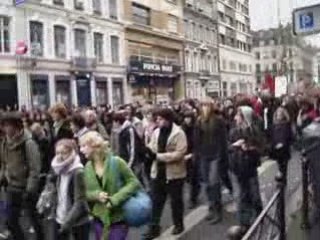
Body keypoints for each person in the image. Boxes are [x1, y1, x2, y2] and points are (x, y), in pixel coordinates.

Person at [80, 131, 140, 240]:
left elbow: (134, 183)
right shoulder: (87, 167)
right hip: (99, 219)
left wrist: (116, 198)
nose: (81, 150)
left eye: (84, 146)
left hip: (118, 219)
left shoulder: (117, 162)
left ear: (94, 146)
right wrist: (96, 195)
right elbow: (84, 193)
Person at [143, 108, 188, 239]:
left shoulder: (178, 133)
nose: (158, 121)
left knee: (176, 201)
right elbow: (152, 146)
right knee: (156, 202)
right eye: (157, 119)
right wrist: (148, 151)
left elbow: (180, 153)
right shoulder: (156, 132)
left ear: (168, 119)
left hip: (174, 173)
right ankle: (154, 228)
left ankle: (178, 224)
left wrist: (158, 156)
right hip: (158, 172)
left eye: (160, 119)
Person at [0, 112, 42, 240]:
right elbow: (4, 163)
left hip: (26, 189)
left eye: (8, 125)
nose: (5, 128)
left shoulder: (28, 143)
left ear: (17, 126)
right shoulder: (4, 142)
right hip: (12, 187)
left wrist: (30, 189)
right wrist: (2, 177)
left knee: (34, 220)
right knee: (11, 221)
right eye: (4, 125)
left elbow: (35, 168)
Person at [229, 106, 263, 233]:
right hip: (236, 168)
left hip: (250, 168)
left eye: (238, 116)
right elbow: (228, 148)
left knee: (253, 194)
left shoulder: (253, 131)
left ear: (244, 117)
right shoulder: (233, 132)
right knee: (240, 196)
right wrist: (235, 146)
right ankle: (244, 223)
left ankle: (259, 213)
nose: (235, 118)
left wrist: (250, 149)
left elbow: (262, 149)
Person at [49, 139, 90, 240]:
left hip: (77, 221)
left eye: (64, 153)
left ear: (72, 153)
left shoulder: (77, 172)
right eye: (57, 153)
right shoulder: (59, 169)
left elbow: (79, 201)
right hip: (60, 217)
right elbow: (59, 194)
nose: (60, 156)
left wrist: (67, 223)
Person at [195, 101, 229, 225]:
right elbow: (196, 140)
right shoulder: (199, 121)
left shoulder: (218, 120)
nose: (205, 108)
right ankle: (211, 207)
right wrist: (196, 155)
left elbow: (223, 140)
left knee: (214, 182)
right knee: (207, 184)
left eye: (207, 105)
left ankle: (217, 210)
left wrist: (222, 156)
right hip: (204, 155)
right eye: (203, 105)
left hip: (216, 155)